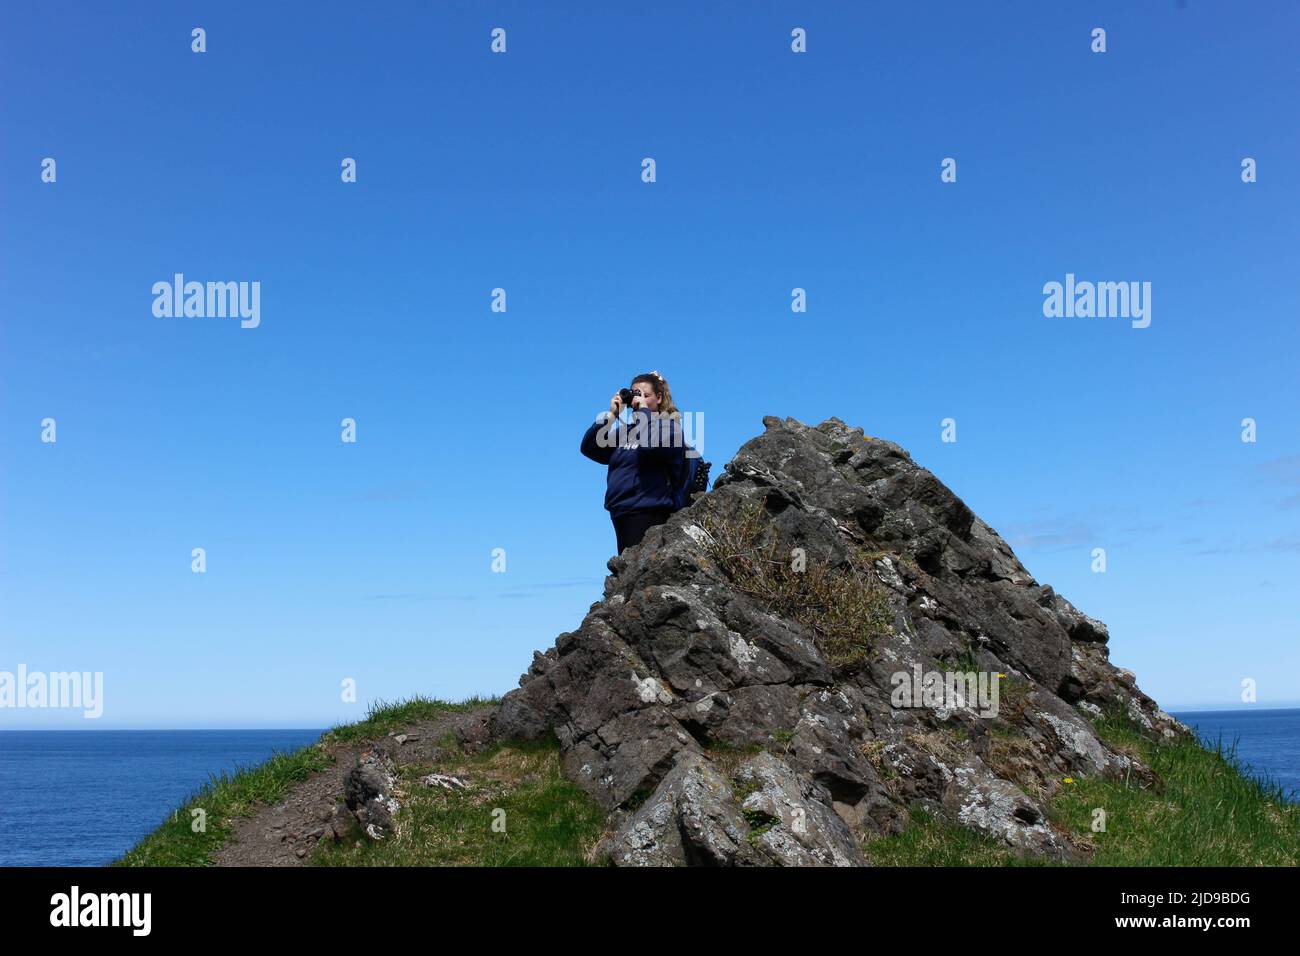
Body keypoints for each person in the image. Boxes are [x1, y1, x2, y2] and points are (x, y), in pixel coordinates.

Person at [580, 370, 687, 554]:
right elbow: (589, 447)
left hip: (650, 509)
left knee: (642, 572)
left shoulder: (670, 427)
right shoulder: (625, 431)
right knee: (628, 573)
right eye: (636, 394)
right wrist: (611, 415)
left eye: (646, 395)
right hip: (621, 511)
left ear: (659, 398)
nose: (640, 399)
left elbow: (649, 447)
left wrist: (644, 412)